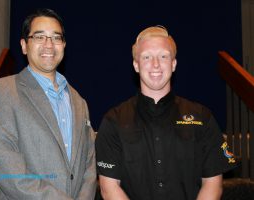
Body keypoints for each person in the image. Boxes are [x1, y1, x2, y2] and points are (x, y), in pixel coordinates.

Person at [95, 26, 236, 200]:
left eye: (163, 56)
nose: (156, 64)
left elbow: (213, 185)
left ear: (174, 64)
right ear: (136, 65)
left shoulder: (203, 117)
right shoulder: (113, 121)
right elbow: (109, 189)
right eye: (147, 57)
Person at [0, 8, 96, 200]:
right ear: (24, 45)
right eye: (39, 37)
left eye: (56, 38)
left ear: (64, 45)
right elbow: (7, 170)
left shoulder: (79, 101)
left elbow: (89, 165)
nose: (49, 44)